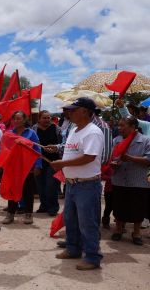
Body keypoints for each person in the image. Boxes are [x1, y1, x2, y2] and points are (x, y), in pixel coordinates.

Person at [50, 98, 104, 271]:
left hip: (87, 184)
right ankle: (73, 249)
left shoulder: (93, 132)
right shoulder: (75, 130)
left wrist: (63, 164)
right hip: (73, 184)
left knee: (87, 223)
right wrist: (58, 149)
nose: (70, 112)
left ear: (85, 111)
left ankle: (92, 257)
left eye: (74, 109)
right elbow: (72, 149)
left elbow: (89, 157)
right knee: (71, 219)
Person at [109, 117, 150, 245]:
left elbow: (148, 160)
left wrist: (130, 158)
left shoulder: (145, 140)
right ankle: (118, 229)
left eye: (122, 126)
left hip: (138, 182)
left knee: (138, 208)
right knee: (119, 206)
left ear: (133, 127)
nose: (119, 128)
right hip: (119, 180)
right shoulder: (116, 140)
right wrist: (113, 164)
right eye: (118, 126)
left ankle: (136, 233)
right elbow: (111, 158)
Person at [2, 111, 42, 225]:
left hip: (27, 167)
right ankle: (10, 214)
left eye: (19, 119)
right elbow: (4, 148)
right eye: (14, 119)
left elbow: (37, 150)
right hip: (13, 167)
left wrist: (38, 165)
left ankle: (28, 214)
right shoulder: (9, 134)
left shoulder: (31, 133)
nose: (16, 121)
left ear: (24, 120)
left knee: (28, 191)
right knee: (12, 189)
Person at [32, 110, 61, 216]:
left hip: (53, 162)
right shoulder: (33, 129)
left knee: (51, 186)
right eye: (44, 118)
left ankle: (53, 208)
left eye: (49, 117)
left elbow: (62, 143)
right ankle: (43, 206)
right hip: (38, 162)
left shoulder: (56, 129)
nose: (47, 120)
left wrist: (56, 149)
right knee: (40, 186)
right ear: (39, 119)